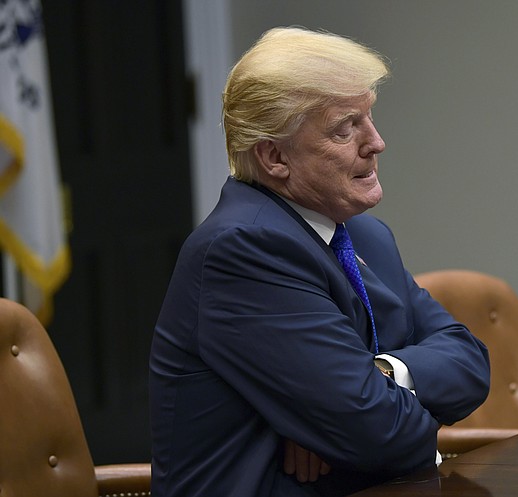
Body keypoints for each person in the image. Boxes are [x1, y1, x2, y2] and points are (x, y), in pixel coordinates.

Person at [149, 27, 490, 497]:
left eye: (369, 118)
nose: (376, 142)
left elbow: (470, 361)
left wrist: (382, 374)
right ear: (274, 156)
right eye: (345, 127)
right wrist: (353, 416)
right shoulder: (244, 250)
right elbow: (384, 433)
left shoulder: (366, 235)